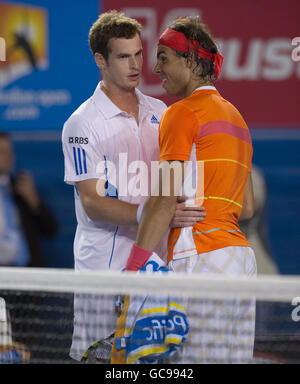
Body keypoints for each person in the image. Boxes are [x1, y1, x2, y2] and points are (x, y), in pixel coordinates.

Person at [61, 10, 206, 362]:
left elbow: (174, 184)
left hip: (156, 277)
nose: (136, 64)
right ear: (100, 60)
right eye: (123, 56)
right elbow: (93, 203)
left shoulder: (163, 112)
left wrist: (172, 207)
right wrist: (153, 213)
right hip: (104, 280)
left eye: (139, 54)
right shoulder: (81, 124)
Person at [125, 16, 257, 364]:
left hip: (201, 256)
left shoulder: (181, 113)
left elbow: (164, 196)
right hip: (240, 261)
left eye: (165, 57)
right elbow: (247, 208)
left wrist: (135, 268)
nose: (155, 68)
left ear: (189, 61)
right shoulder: (238, 119)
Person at [0, 132, 58, 267]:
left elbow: (51, 229)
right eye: (2, 152)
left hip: (27, 271)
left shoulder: (21, 188)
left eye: (10, 152)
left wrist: (34, 201)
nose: (8, 157)